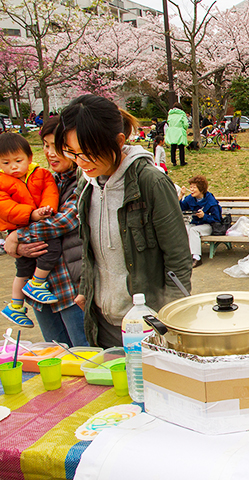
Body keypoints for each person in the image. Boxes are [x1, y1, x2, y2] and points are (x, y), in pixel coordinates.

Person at [55, 94, 192, 348]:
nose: (81, 162)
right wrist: (86, 288)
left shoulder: (150, 182)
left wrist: (171, 320)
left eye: (89, 153)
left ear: (118, 142)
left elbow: (178, 258)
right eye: (73, 153)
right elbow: (89, 246)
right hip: (103, 319)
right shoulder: (86, 180)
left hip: (148, 322)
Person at [3, 116, 88, 346]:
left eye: (56, 146)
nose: (50, 153)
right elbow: (11, 213)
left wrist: (17, 237)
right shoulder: (44, 179)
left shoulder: (83, 181)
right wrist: (12, 239)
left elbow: (63, 222)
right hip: (39, 289)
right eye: (46, 145)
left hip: (70, 286)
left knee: (84, 356)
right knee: (56, 357)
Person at [0, 133, 61, 328]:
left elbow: (50, 192)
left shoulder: (41, 174)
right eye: (6, 163)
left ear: (30, 158)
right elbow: (6, 208)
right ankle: (19, 302)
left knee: (37, 258)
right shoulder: (2, 182)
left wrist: (46, 210)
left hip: (33, 224)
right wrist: (32, 215)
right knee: (25, 268)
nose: (13, 167)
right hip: (19, 226)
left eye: (18, 161)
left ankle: (25, 295)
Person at [179, 175, 222, 268]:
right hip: (195, 224)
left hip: (209, 226)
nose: (191, 189)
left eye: (194, 187)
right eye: (190, 187)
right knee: (185, 228)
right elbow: (180, 209)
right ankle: (186, 255)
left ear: (201, 189)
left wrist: (204, 216)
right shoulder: (190, 198)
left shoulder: (210, 200)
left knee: (194, 230)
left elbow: (217, 219)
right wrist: (181, 195)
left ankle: (197, 257)